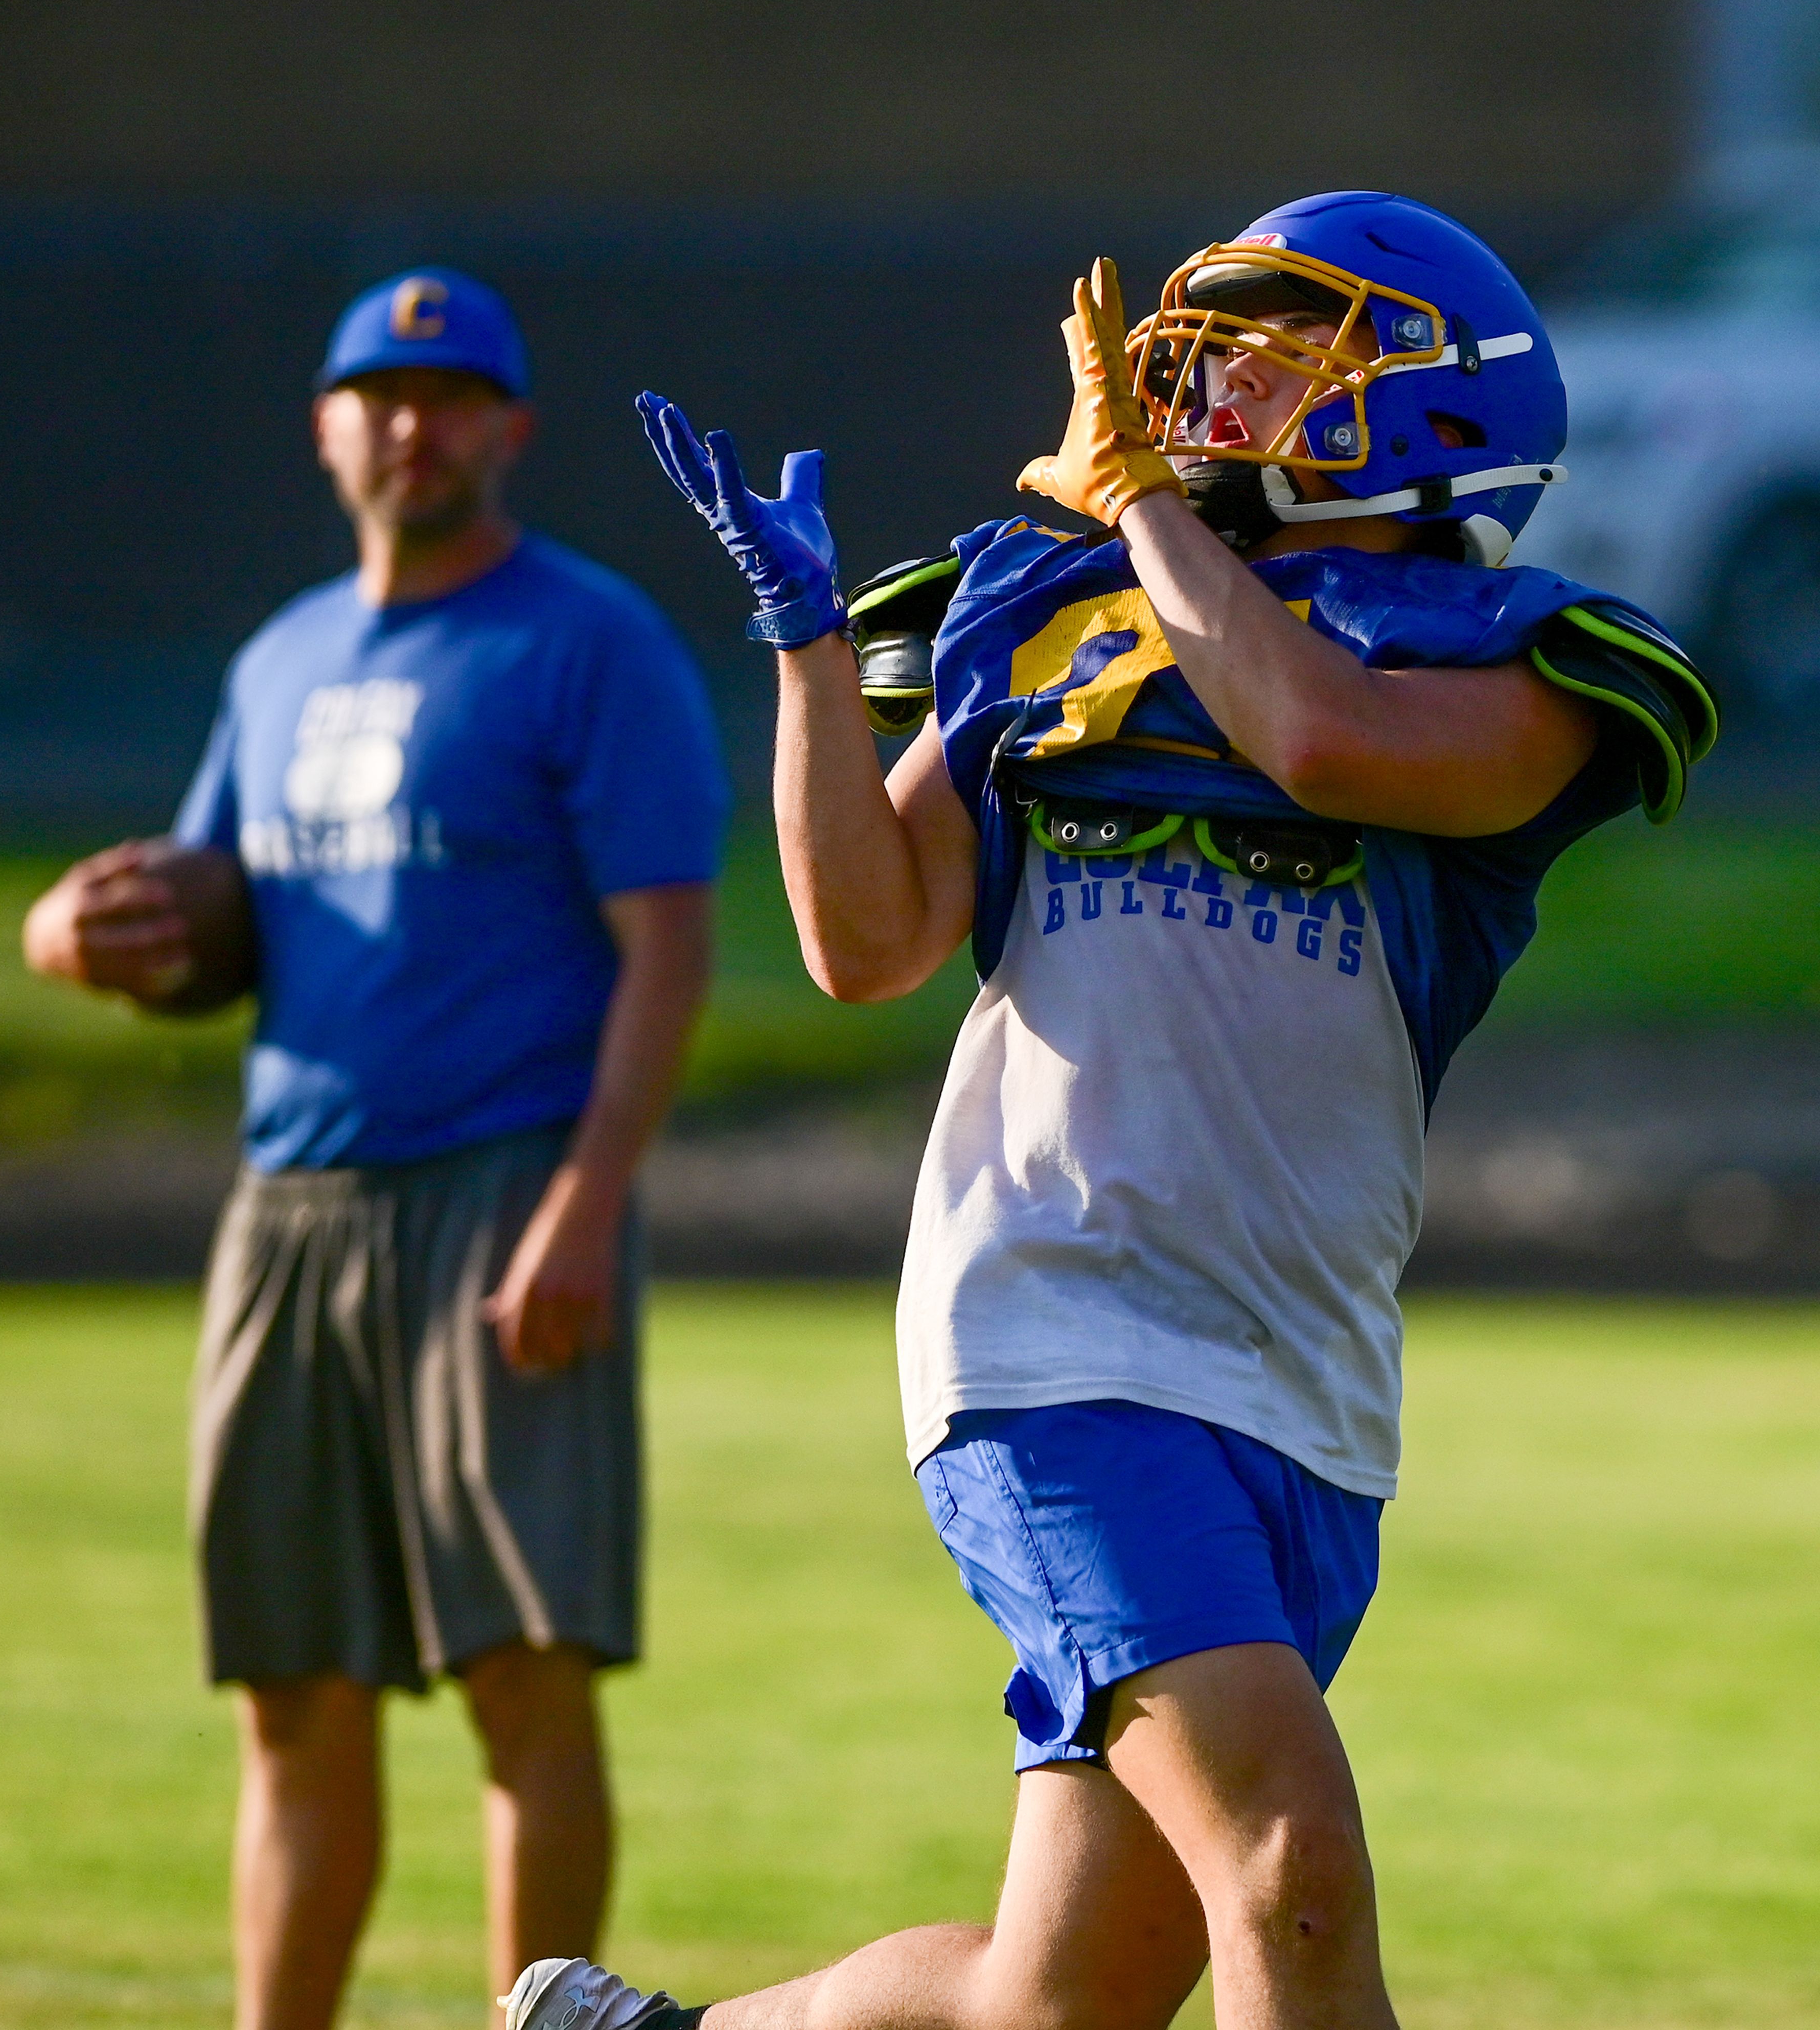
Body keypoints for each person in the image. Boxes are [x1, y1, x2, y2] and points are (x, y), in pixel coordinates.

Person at [508, 192, 1716, 2030]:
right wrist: (808, 651)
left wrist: (1144, 506)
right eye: (1207, 347)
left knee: (1047, 2005)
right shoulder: (1048, 597)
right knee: (1290, 1879)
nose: (1211, 382)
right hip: (1050, 1324)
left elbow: (1325, 740)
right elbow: (868, 936)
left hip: (1298, 1371)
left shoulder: (1512, 656)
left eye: (1282, 344)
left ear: (1440, 400)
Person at [22, 266, 728, 2030]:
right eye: (378, 397)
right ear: (330, 426)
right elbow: (213, 921)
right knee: (290, 1691)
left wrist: (585, 1205)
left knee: (523, 1675)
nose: (413, 428)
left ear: (510, 431)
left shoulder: (586, 640)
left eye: (451, 399)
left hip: (501, 1194)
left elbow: (673, 947)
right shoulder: (280, 659)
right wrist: (70, 934)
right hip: (293, 1207)